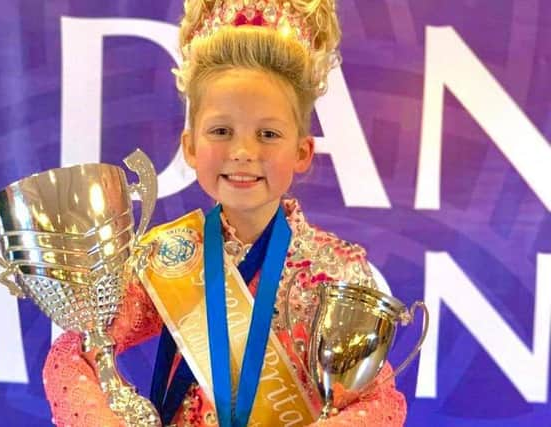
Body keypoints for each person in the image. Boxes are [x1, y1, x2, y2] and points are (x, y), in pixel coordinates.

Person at [43, 0, 407, 425]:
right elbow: (73, 353)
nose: (242, 152)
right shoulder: (166, 258)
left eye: (268, 134)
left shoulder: (337, 270)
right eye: (221, 131)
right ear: (191, 146)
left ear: (302, 151)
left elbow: (379, 401)